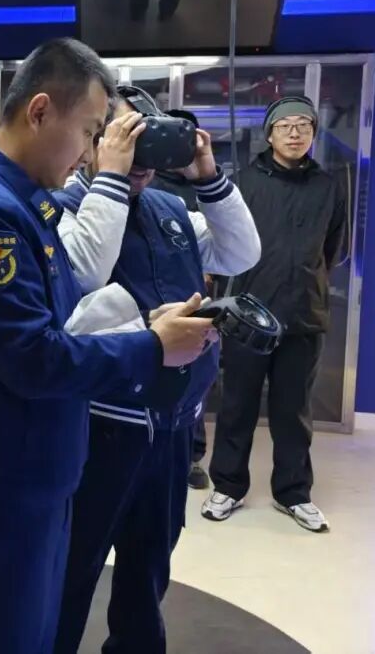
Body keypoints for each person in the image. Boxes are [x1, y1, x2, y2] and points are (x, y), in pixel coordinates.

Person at [0, 38, 216, 654]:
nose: (91, 152)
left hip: (34, 478)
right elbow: (34, 358)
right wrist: (151, 347)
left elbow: (62, 322)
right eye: (88, 132)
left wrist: (144, 324)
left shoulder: (29, 204)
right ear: (40, 111)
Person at [52, 89, 261, 654]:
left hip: (172, 427)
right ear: (91, 141)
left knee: (149, 564)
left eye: (148, 137)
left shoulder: (169, 209)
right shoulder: (58, 209)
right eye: (125, 136)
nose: (139, 154)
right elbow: (79, 284)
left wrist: (207, 176)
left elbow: (241, 254)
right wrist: (111, 179)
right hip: (100, 428)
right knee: (73, 565)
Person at [203, 95, 347, 533]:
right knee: (237, 405)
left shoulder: (328, 186)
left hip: (303, 315)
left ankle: (293, 493)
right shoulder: (243, 183)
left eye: (304, 125)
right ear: (269, 135)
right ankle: (228, 486)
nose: (294, 133)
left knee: (293, 410)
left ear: (313, 133)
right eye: (285, 125)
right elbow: (223, 242)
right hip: (248, 315)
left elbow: (332, 249)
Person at [148, 108, 213, 490]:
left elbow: (235, 248)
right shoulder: (143, 179)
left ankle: (193, 455)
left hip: (193, 294)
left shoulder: (196, 185)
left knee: (194, 374)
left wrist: (207, 177)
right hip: (151, 308)